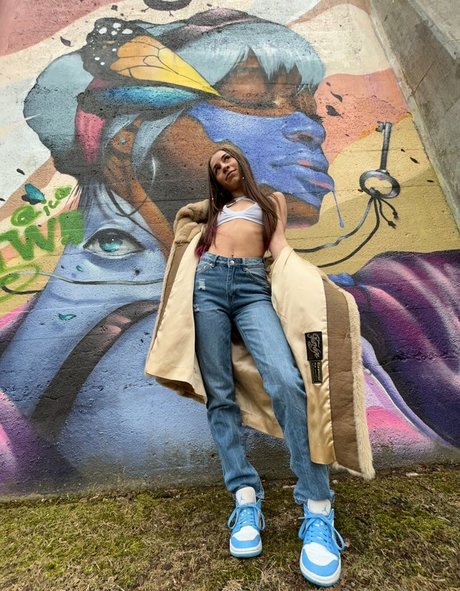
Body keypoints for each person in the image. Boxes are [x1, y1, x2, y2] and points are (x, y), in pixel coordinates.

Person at [146, 143, 374, 587]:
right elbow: (186, 220)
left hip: (253, 288)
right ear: (213, 179)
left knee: (287, 381)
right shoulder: (214, 212)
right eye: (216, 166)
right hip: (207, 286)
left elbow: (280, 248)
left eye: (227, 158)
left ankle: (317, 505)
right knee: (220, 394)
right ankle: (245, 496)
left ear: (241, 160)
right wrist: (210, 207)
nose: (223, 166)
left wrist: (312, 285)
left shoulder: (271, 202)